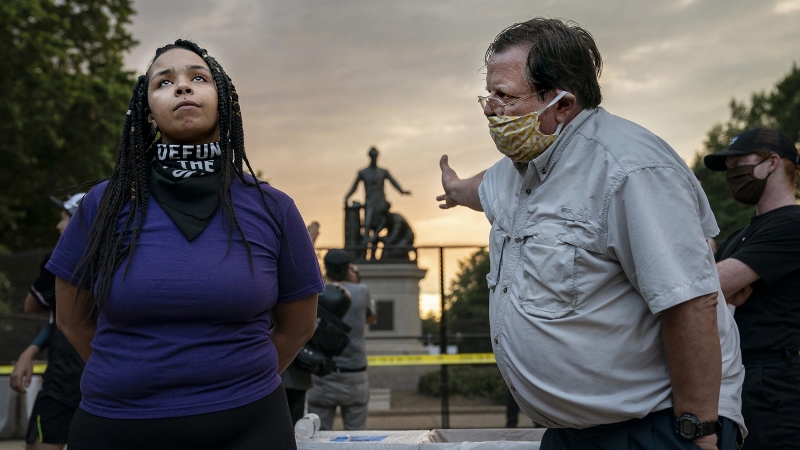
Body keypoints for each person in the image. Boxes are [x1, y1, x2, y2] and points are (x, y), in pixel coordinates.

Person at [437, 18, 744, 450]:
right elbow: (481, 187)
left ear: (561, 104)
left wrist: (699, 434)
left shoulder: (629, 170)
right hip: (575, 434)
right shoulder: (519, 170)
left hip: (655, 429)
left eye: (504, 96)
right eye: (488, 95)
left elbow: (690, 302)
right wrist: (455, 190)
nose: (490, 109)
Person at [47, 40, 322, 450]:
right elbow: (72, 318)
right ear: (147, 110)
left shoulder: (273, 207)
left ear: (224, 100)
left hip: (249, 425)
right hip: (117, 425)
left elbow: (297, 326)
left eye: (198, 78)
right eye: (164, 81)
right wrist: (129, 377)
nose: (182, 87)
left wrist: (238, 382)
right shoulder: (103, 204)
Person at [703, 128, 800, 449]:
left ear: (772, 162)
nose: (732, 173)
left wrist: (716, 282)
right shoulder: (742, 235)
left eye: (738, 163)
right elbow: (703, 289)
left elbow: (709, 285)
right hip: (739, 376)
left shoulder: (792, 224)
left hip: (775, 380)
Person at [10, 193, 86, 450]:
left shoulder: (61, 257)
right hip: (106, 375)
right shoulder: (124, 258)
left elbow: (32, 306)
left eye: (64, 217)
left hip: (65, 377)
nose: (58, 225)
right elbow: (68, 319)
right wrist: (30, 350)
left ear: (79, 221)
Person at [307, 249, 376, 430]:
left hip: (321, 375)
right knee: (357, 438)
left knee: (319, 437)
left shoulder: (315, 291)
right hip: (354, 375)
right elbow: (371, 317)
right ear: (348, 268)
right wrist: (356, 278)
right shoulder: (361, 291)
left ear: (326, 269)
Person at [344, 147, 411, 250]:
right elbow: (354, 186)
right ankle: (364, 253)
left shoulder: (383, 171)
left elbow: (393, 181)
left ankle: (375, 254)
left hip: (381, 203)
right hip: (370, 203)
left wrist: (401, 191)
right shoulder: (363, 172)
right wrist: (347, 196)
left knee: (379, 227)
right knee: (367, 226)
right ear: (370, 156)